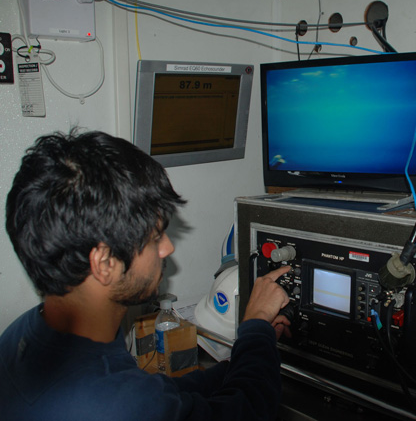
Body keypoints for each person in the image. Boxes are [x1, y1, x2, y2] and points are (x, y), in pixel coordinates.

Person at [0, 129, 291, 421]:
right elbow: (249, 411)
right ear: (103, 263)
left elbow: (163, 396)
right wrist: (254, 327)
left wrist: (248, 355)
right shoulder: (114, 404)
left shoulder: (25, 333)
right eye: (155, 237)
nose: (167, 247)